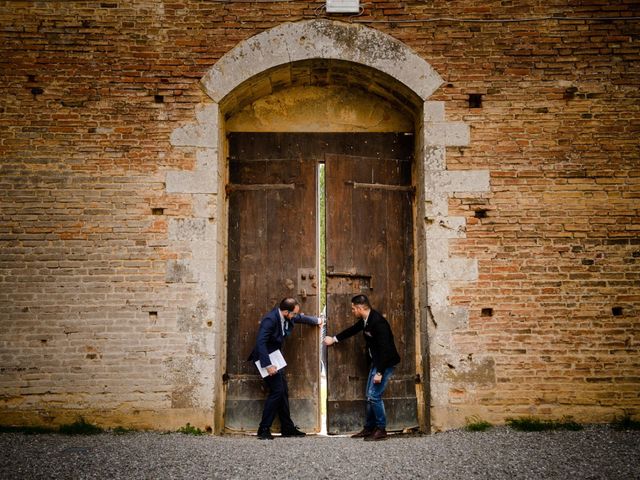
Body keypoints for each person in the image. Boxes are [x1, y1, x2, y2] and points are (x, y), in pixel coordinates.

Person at [324, 294, 400, 441]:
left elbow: (386, 349)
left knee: (374, 396)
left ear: (359, 308)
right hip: (377, 362)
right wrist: (333, 339)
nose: (352, 311)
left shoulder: (378, 323)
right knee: (369, 395)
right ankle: (369, 428)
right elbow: (352, 330)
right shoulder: (366, 320)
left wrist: (380, 372)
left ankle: (381, 429)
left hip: (385, 364)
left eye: (353, 309)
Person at [248, 297, 322, 440]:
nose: (295, 316)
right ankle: (263, 428)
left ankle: (287, 427)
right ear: (286, 312)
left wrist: (317, 321)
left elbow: (301, 318)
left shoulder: (288, 316)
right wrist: (268, 365)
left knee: (283, 391)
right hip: (266, 359)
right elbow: (260, 343)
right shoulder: (270, 320)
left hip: (276, 358)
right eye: (293, 314)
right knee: (277, 391)